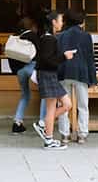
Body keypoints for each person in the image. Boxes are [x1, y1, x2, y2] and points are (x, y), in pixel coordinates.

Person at [32, 10, 75, 149]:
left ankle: (43, 126)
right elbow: (47, 60)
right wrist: (64, 56)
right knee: (53, 108)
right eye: (60, 20)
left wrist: (63, 56)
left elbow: (46, 59)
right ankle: (48, 139)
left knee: (67, 104)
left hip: (49, 75)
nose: (62, 23)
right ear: (53, 22)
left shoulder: (48, 38)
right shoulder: (49, 39)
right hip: (47, 74)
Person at [56, 6, 97, 144]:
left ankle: (64, 134)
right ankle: (82, 134)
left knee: (63, 105)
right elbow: (89, 58)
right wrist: (93, 80)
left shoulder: (60, 36)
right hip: (81, 72)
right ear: (82, 21)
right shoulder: (86, 36)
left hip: (63, 71)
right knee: (83, 105)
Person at [8, 16, 45, 134]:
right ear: (32, 26)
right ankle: (42, 123)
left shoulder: (15, 37)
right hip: (32, 67)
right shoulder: (33, 36)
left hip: (20, 71)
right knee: (45, 94)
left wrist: (15, 70)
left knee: (25, 95)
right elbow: (41, 53)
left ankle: (17, 122)